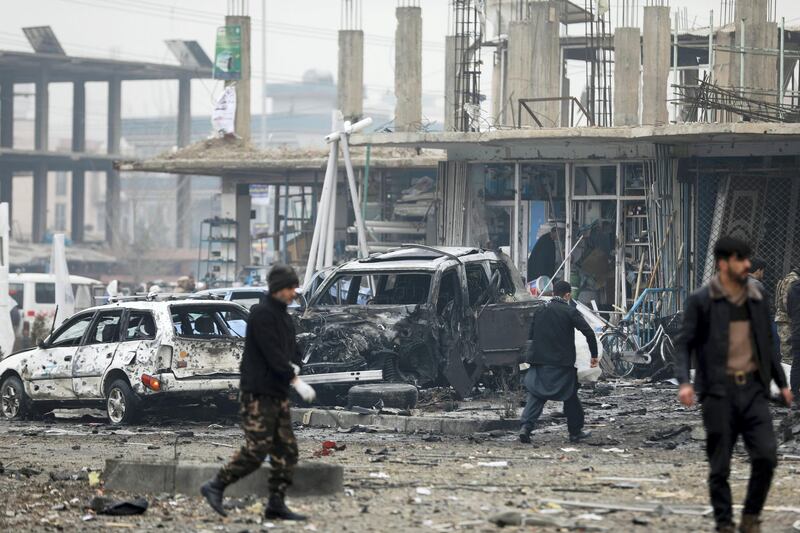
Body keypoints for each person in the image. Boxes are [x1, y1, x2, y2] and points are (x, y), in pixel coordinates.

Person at [676, 236, 793, 533]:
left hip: (753, 392)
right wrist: (685, 382)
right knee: (720, 466)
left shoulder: (757, 298)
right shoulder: (701, 300)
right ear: (722, 263)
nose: (746, 265)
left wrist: (781, 383)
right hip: (718, 393)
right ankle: (725, 523)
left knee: (766, 456)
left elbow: (766, 345)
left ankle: (751, 517)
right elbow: (684, 344)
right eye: (739, 260)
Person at [201, 264, 316, 521]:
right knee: (257, 450)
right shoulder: (261, 314)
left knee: (287, 450)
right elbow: (272, 353)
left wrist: (297, 364)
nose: (293, 293)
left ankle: (276, 503)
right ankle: (215, 485)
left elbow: (291, 349)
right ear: (278, 289)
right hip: (258, 394)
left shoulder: (284, 317)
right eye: (289, 288)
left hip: (277, 394)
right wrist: (295, 380)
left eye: (294, 288)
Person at [519, 280, 598, 444]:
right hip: (562, 364)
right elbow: (589, 332)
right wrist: (594, 355)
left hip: (540, 362)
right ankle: (575, 432)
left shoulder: (540, 310)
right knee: (570, 397)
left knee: (536, 396)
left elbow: (531, 336)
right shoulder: (569, 311)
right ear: (567, 295)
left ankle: (526, 427)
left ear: (553, 293)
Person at [775, 265, 800, 363]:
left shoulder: (793, 278)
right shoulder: (792, 279)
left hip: (789, 318)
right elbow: (786, 302)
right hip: (787, 319)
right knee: (788, 356)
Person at [788, 275, 800, 400]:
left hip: (797, 330)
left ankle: (795, 392)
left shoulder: (793, 287)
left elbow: (789, 310)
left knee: (797, 362)